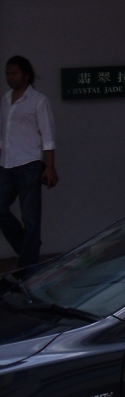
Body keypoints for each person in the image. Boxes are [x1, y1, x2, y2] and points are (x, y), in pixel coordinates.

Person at [0, 56, 57, 268]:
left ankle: (28, 265)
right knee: (1, 209)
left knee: (30, 218)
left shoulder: (38, 101)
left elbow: (48, 135)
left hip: (29, 163)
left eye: (14, 73)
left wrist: (50, 166)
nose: (10, 77)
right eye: (7, 73)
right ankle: (28, 248)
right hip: (6, 163)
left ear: (26, 75)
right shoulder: (6, 99)